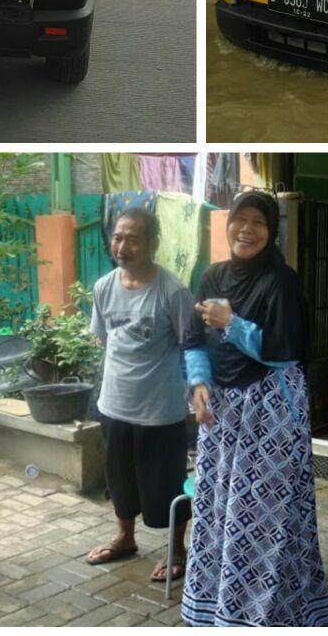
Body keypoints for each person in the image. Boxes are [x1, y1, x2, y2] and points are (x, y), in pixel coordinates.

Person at [181, 190, 328, 627]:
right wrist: (198, 383)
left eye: (258, 223)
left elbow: (283, 350)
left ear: (273, 230)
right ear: (227, 224)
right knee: (220, 507)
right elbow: (192, 337)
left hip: (270, 408)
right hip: (223, 411)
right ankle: (218, 606)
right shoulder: (211, 276)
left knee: (267, 512)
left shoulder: (281, 281)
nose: (247, 230)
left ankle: (270, 613)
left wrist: (232, 323)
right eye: (239, 220)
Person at [84, 208, 193, 582]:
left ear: (152, 244)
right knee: (120, 479)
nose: (122, 246)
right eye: (117, 237)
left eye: (132, 238)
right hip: (114, 404)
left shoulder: (172, 290)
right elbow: (104, 338)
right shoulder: (104, 286)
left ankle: (178, 550)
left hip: (160, 410)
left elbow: (190, 345)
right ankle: (125, 538)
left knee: (167, 483)